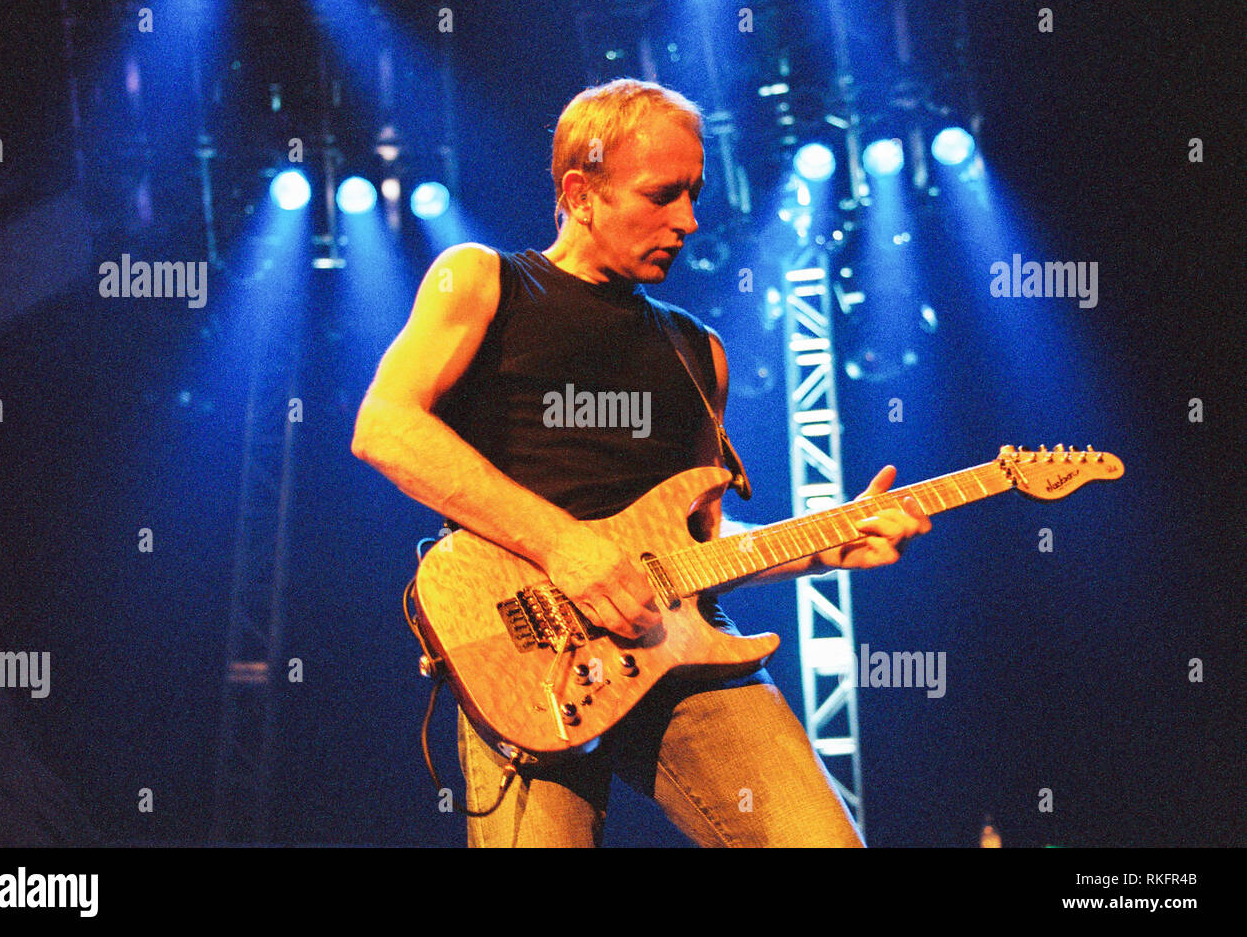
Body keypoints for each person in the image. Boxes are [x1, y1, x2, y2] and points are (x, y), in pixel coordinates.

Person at [351, 78, 930, 847]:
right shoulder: (484, 281)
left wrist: (824, 543)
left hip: (684, 653)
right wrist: (565, 545)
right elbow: (385, 425)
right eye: (663, 195)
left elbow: (695, 546)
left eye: (693, 195)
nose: (687, 221)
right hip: (532, 660)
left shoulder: (699, 353)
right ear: (580, 192)